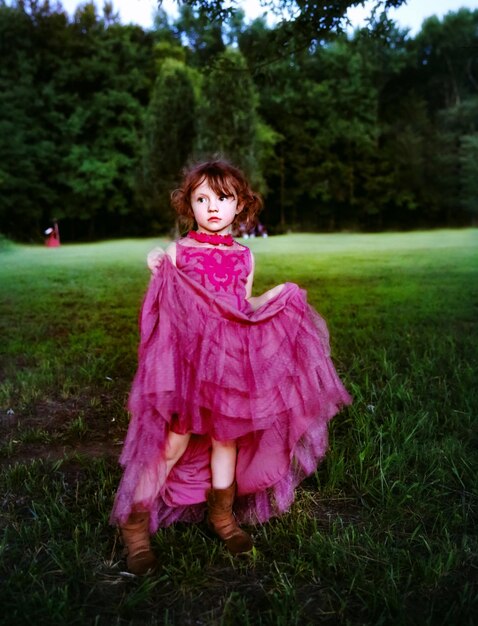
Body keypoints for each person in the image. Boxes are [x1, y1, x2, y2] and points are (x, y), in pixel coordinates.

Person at [110, 159, 352, 575]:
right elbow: (163, 309)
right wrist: (157, 263)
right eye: (201, 198)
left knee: (227, 439)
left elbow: (240, 306)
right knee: (175, 441)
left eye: (223, 197)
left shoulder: (244, 256)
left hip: (231, 367)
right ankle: (135, 527)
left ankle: (222, 516)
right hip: (190, 367)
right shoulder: (179, 252)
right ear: (189, 205)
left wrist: (277, 300)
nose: (213, 207)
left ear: (241, 204)